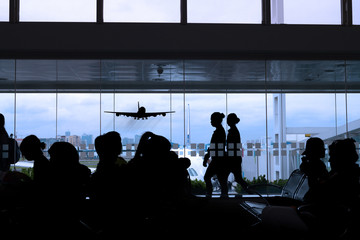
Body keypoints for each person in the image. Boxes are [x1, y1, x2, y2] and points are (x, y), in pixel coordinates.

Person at [203, 112, 227, 198]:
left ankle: (209, 193)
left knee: (207, 177)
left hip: (217, 159)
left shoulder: (218, 132)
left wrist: (207, 156)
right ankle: (224, 196)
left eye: (212, 120)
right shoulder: (220, 131)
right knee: (221, 179)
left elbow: (214, 146)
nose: (211, 122)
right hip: (219, 159)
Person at [299, 137, 329, 202]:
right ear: (316, 150)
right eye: (322, 147)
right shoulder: (318, 165)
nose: (324, 149)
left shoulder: (305, 164)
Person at [226, 113, 248, 192]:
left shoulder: (233, 132)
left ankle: (249, 190)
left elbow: (232, 147)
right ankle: (250, 190)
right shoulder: (234, 131)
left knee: (225, 177)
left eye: (228, 120)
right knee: (238, 178)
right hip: (235, 158)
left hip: (233, 158)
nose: (227, 121)